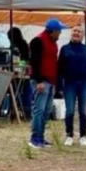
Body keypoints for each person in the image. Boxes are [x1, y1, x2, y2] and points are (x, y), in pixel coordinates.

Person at [58, 27, 86, 147]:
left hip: (84, 83)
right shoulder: (64, 49)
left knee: (83, 111)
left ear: (83, 35)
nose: (76, 33)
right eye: (74, 31)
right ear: (71, 33)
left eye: (79, 31)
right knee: (69, 111)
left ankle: (83, 136)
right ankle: (69, 135)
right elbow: (59, 69)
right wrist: (59, 85)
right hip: (69, 83)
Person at [28, 19, 63, 149]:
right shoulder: (38, 41)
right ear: (53, 31)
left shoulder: (54, 43)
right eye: (59, 31)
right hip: (41, 81)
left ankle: (41, 136)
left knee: (47, 110)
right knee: (39, 109)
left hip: (51, 81)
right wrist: (39, 81)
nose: (60, 34)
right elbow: (34, 62)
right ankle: (35, 137)